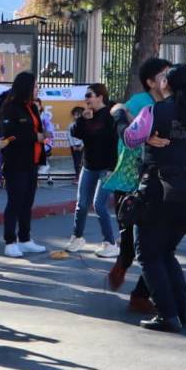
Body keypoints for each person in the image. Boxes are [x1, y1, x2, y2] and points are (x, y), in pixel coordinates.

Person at [122, 64, 186, 332]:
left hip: (158, 190)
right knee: (166, 252)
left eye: (164, 78)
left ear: (166, 85)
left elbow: (130, 139)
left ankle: (167, 314)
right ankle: (184, 310)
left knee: (149, 254)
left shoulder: (153, 111)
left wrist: (119, 116)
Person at [104, 57, 172, 314]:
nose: (168, 78)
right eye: (164, 74)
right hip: (133, 182)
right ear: (150, 81)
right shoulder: (138, 104)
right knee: (135, 242)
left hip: (163, 182)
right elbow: (127, 136)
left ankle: (141, 294)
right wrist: (144, 137)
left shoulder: (172, 103)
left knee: (160, 245)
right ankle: (123, 262)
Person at [0, 72, 47, 257]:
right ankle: (9, 241)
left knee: (27, 202)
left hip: (32, 162)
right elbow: (10, 134)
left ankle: (25, 239)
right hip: (15, 163)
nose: (37, 89)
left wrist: (42, 135)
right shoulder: (10, 107)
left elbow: (36, 130)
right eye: (34, 86)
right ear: (26, 87)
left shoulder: (33, 107)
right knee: (15, 202)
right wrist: (37, 137)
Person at [66, 83, 118, 257]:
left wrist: (112, 168)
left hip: (106, 168)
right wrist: (82, 119)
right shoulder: (87, 115)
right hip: (88, 166)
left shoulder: (110, 116)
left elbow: (114, 144)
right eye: (85, 96)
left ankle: (110, 242)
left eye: (89, 95)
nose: (86, 99)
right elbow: (75, 132)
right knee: (81, 204)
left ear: (100, 97)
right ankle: (77, 237)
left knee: (99, 205)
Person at [67, 106, 85, 178]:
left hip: (82, 146)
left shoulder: (85, 125)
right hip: (74, 146)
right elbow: (69, 136)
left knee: (83, 162)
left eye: (79, 115)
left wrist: (82, 145)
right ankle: (77, 176)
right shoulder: (71, 125)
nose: (77, 116)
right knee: (76, 161)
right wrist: (73, 145)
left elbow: (86, 136)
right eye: (76, 115)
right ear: (73, 115)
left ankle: (82, 176)